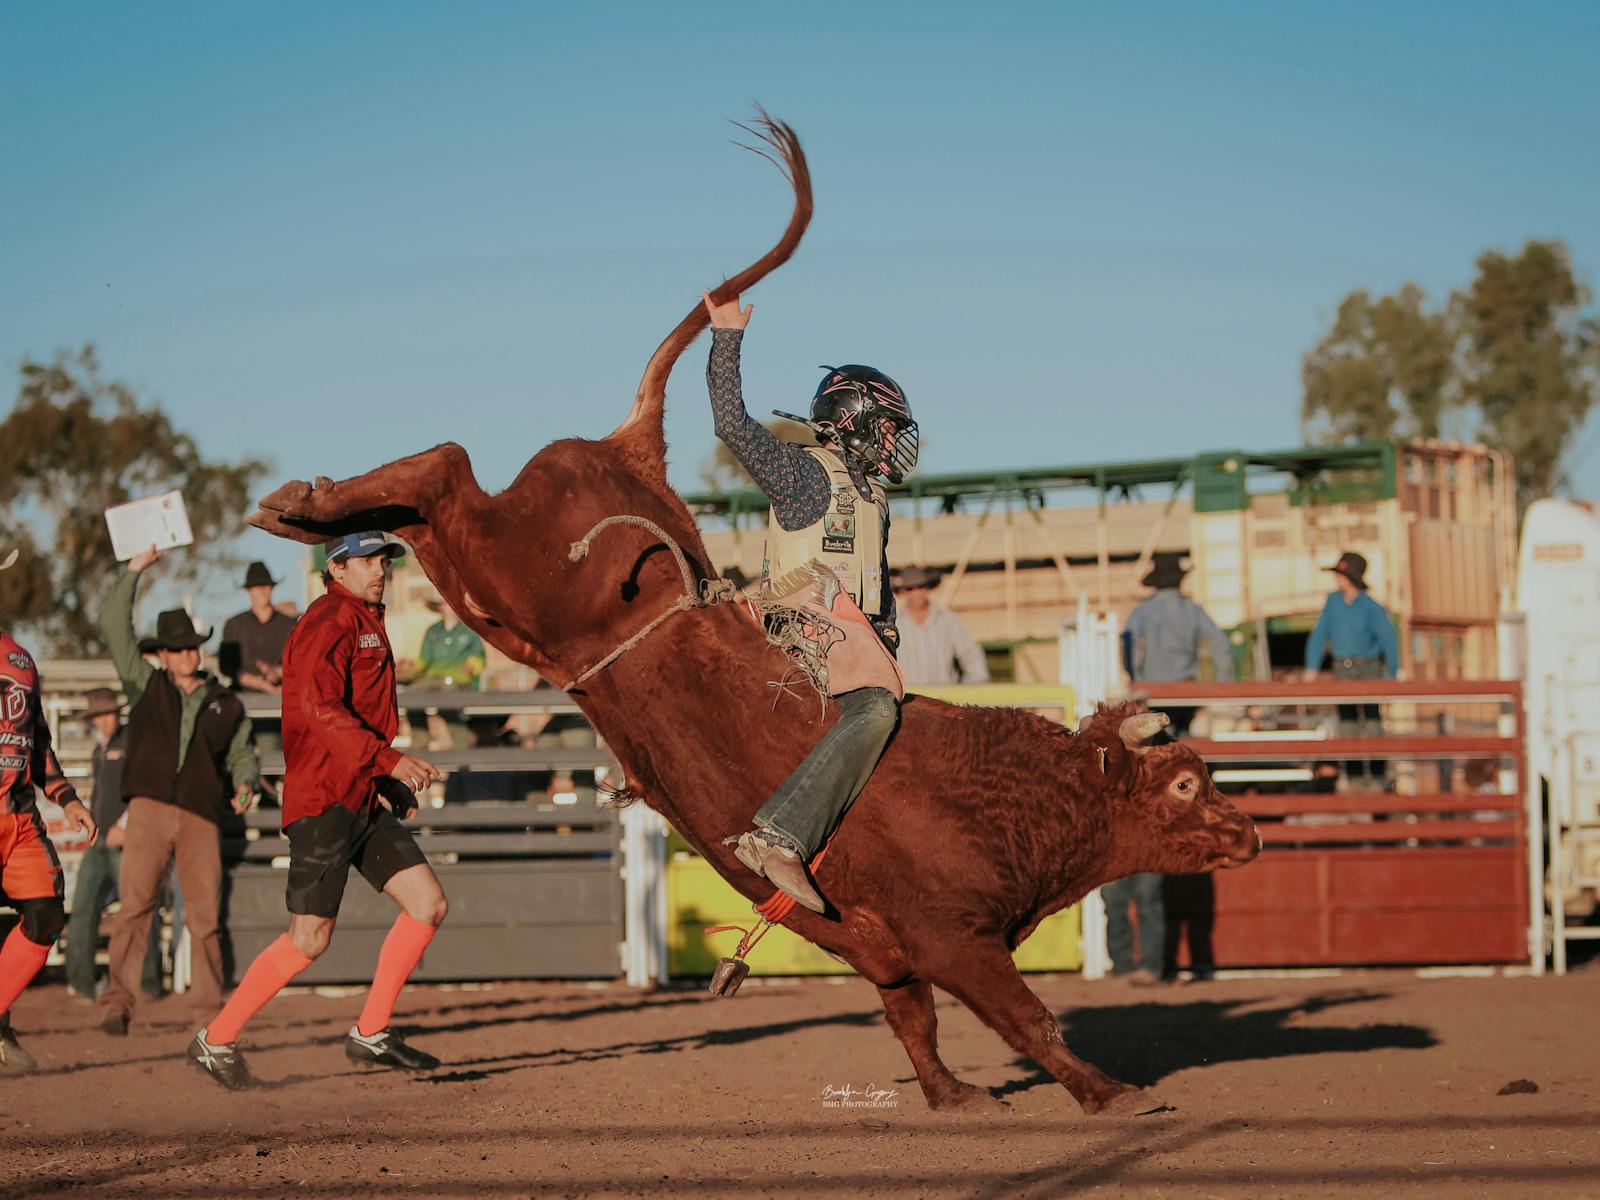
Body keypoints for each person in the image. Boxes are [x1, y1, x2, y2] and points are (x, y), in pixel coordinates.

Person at [187, 531, 446, 1090]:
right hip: (325, 799)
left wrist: (383, 776)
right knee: (309, 939)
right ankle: (216, 1039)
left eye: (383, 560)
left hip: (360, 792)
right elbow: (316, 708)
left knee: (426, 904)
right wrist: (386, 759)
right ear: (337, 568)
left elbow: (354, 714)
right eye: (368, 561)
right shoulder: (330, 619)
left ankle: (371, 1032)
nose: (380, 569)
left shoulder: (364, 617)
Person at [703, 291, 917, 913]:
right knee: (877, 712)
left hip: (854, 646)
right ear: (852, 419)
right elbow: (732, 426)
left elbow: (877, 592)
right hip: (799, 645)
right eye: (887, 426)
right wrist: (726, 337)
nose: (895, 441)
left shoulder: (873, 497)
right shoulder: (806, 474)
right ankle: (777, 836)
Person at [97, 547, 259, 1037]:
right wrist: (133, 571)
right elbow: (112, 624)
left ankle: (208, 1014)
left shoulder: (224, 703)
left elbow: (241, 752)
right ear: (162, 654)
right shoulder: (144, 684)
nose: (189, 653)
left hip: (200, 816)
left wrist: (246, 781)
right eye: (180, 647)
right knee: (134, 908)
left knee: (204, 917)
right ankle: (118, 1002)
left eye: (193, 646)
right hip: (148, 809)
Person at [1110, 552, 1234, 985]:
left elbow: (1127, 645)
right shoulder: (1192, 611)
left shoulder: (1142, 613)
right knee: (1182, 768)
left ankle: (1124, 961)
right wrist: (1218, 688)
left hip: (1151, 696)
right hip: (1183, 700)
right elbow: (1220, 645)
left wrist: (1135, 677)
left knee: (1144, 766)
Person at [0, 549, 97, 1072]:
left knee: (45, 915)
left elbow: (36, 742)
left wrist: (69, 798)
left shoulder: (19, 661)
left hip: (17, 820)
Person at [63, 688, 163, 1002]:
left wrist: (125, 825)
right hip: (101, 840)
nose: (104, 721)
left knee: (138, 908)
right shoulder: (99, 750)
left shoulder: (132, 742)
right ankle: (80, 982)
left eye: (107, 714)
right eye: (98, 716)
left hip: (127, 840)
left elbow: (146, 787)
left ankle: (147, 983)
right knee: (83, 908)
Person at [1305, 551, 1398, 786]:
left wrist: (1392, 673)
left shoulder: (1371, 607)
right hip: (1343, 669)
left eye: (1341, 575)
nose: (1337, 579)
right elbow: (1319, 635)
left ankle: (1377, 781)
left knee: (1373, 725)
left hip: (1368, 668)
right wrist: (1311, 666)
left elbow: (1389, 639)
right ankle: (1357, 782)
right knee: (1348, 726)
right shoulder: (1333, 603)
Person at [219, 560, 298, 758]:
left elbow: (300, 664)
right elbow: (227, 667)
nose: (262, 591)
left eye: (266, 586)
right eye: (257, 587)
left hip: (278, 706)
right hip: (240, 706)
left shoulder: (289, 624)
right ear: (248, 591)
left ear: (272, 588)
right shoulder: (234, 625)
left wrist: (277, 672)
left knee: (270, 754)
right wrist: (260, 682)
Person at [401, 598, 486, 750]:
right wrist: (411, 666)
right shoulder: (432, 631)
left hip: (457, 679)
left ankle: (461, 743)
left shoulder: (469, 631)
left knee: (448, 701)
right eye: (445, 603)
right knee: (411, 696)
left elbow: (478, 657)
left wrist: (471, 666)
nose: (449, 607)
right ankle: (420, 739)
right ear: (440, 607)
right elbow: (424, 659)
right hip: (432, 678)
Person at [891, 565, 989, 687]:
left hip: (944, 700)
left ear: (928, 588)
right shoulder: (894, 624)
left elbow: (972, 656)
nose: (917, 592)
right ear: (902, 591)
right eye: (910, 588)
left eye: (921, 586)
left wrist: (971, 691)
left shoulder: (948, 620)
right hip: (908, 701)